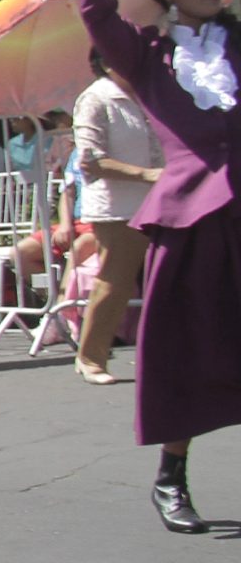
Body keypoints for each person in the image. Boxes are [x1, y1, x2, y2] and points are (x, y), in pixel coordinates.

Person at [78, 0, 241, 533]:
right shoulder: (148, 56)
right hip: (193, 218)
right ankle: (172, 475)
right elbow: (93, 7)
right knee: (186, 349)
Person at [71, 45, 164, 386]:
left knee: (172, 281)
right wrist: (146, 174)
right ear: (105, 63)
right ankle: (90, 357)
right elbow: (91, 160)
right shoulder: (95, 99)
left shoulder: (152, 93)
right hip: (118, 207)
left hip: (163, 202)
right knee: (116, 282)